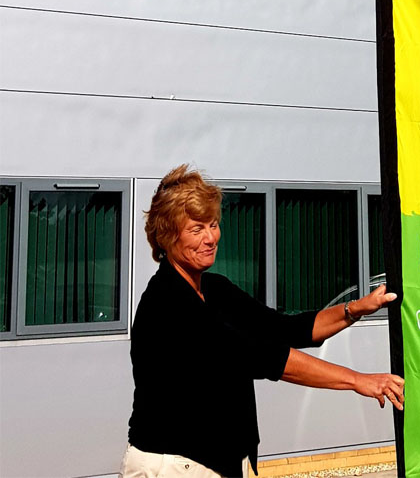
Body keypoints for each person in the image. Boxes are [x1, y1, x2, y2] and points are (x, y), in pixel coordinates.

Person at [121, 165, 404, 478]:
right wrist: (358, 380)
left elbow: (285, 329)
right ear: (167, 236)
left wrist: (356, 309)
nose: (211, 237)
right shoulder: (168, 302)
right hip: (172, 464)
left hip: (216, 462)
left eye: (213, 224)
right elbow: (261, 356)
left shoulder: (215, 289)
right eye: (196, 229)